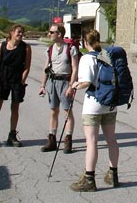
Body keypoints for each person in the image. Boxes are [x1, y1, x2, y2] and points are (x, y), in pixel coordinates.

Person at [70, 30, 120, 192]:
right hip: (110, 104)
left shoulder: (86, 58)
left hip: (93, 105)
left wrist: (75, 85)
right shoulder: (107, 57)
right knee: (111, 140)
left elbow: (86, 82)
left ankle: (89, 179)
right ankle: (113, 174)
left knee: (91, 142)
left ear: (85, 42)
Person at [0, 24, 32, 147]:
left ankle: (12, 135)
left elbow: (27, 66)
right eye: (18, 32)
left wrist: (22, 81)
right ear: (12, 32)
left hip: (17, 80)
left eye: (22, 32)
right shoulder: (1, 46)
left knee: (15, 107)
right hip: (3, 79)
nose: (20, 34)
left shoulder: (26, 48)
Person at [38, 24, 78, 153]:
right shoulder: (50, 49)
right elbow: (46, 68)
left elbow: (75, 68)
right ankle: (52, 139)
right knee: (53, 111)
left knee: (67, 111)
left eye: (52, 32)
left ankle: (68, 140)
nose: (49, 34)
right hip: (52, 81)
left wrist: (71, 86)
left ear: (59, 34)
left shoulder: (70, 49)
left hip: (65, 82)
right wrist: (42, 86)